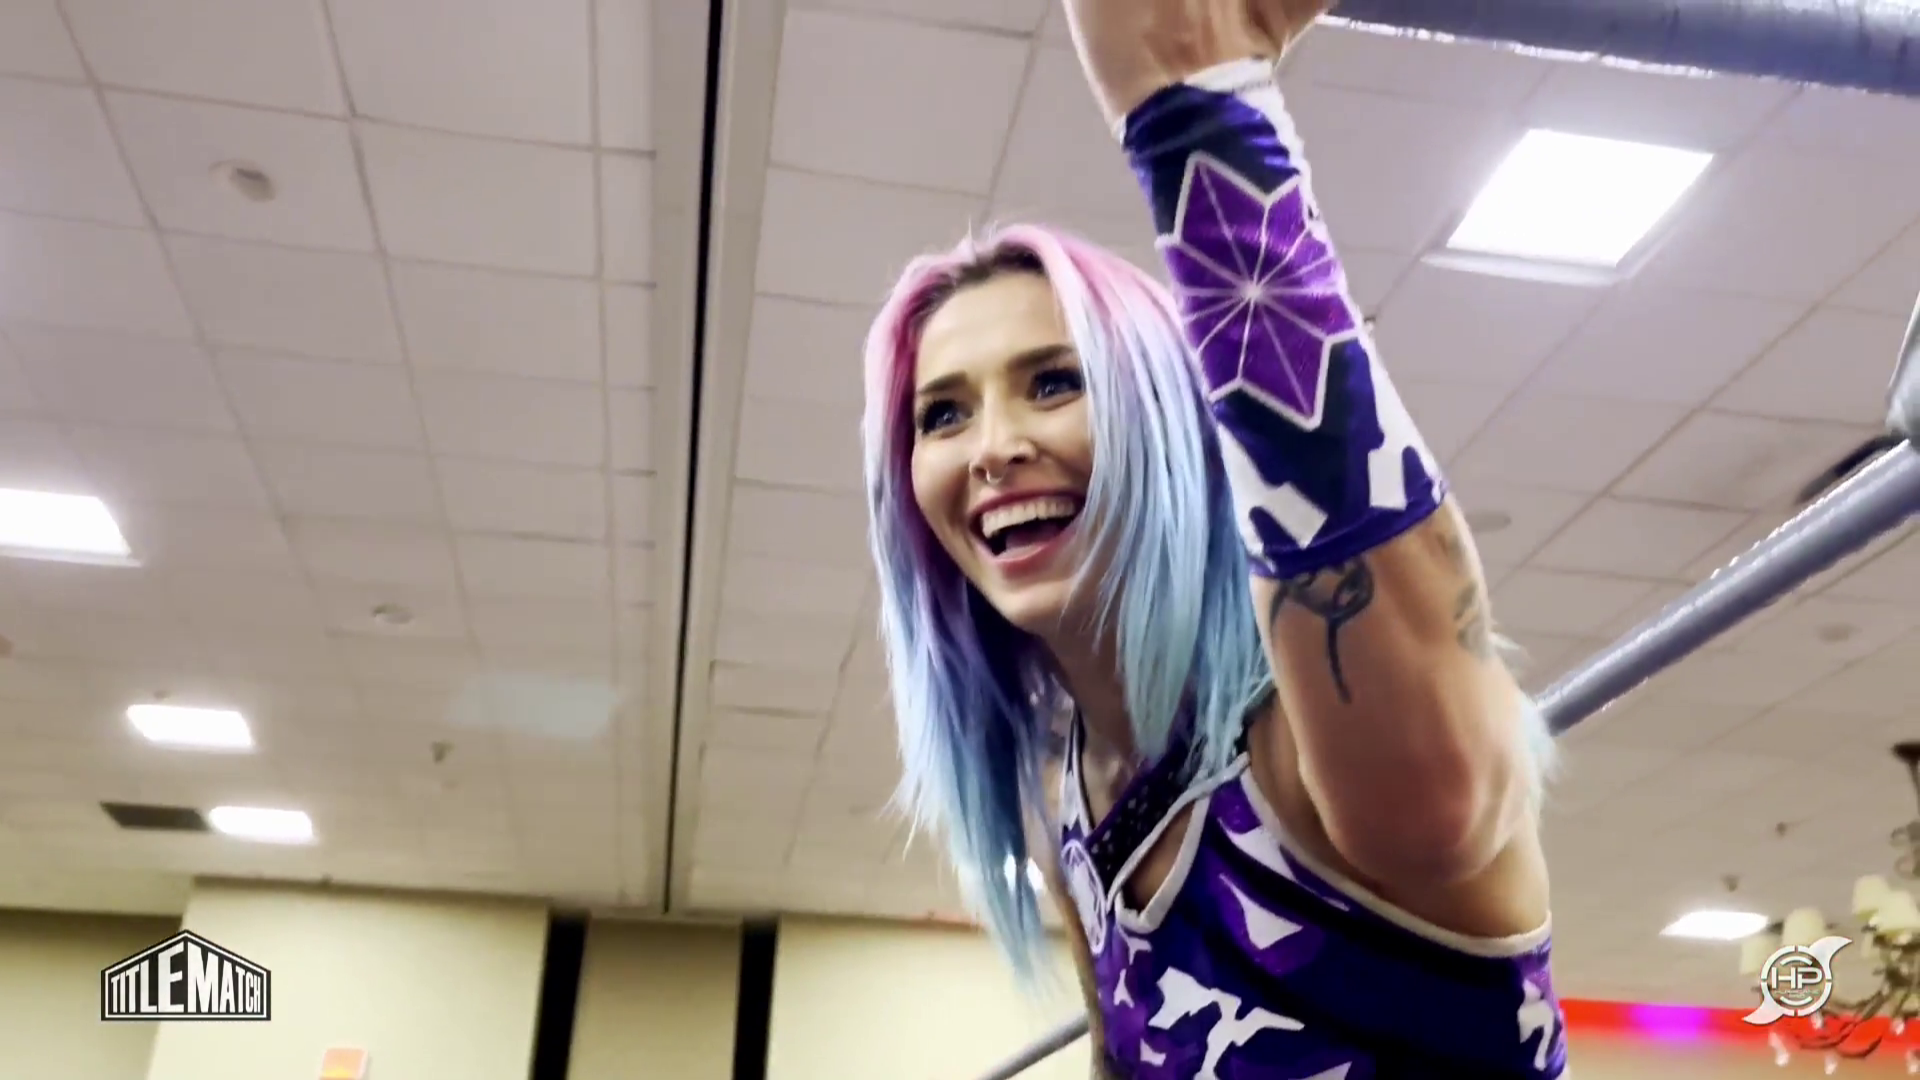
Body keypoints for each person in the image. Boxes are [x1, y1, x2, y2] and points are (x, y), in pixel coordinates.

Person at [859, 0, 1566, 1075]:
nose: (992, 449)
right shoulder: (1066, 789)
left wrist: (1192, 107)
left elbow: (1444, 797)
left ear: (1169, 426)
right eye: (943, 414)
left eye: (1055, 384)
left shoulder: (1300, 754)